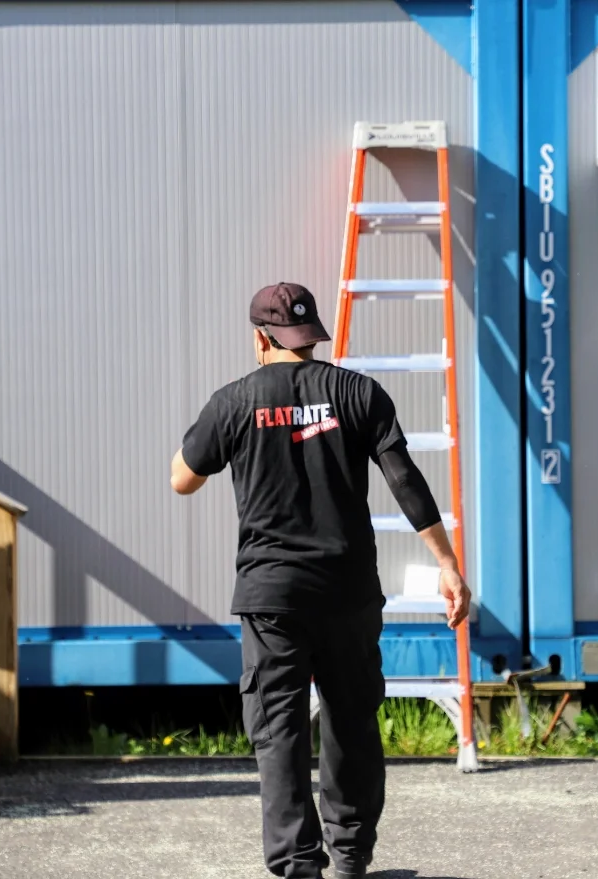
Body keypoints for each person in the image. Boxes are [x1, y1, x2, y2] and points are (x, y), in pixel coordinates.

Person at [170, 282, 471, 879]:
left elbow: (183, 478)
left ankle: (297, 866)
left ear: (260, 337)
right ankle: (351, 858)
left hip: (272, 594)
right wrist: (446, 565)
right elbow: (405, 480)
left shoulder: (234, 401)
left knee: (278, 727)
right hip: (348, 590)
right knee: (350, 719)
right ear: (309, 337)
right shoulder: (358, 392)